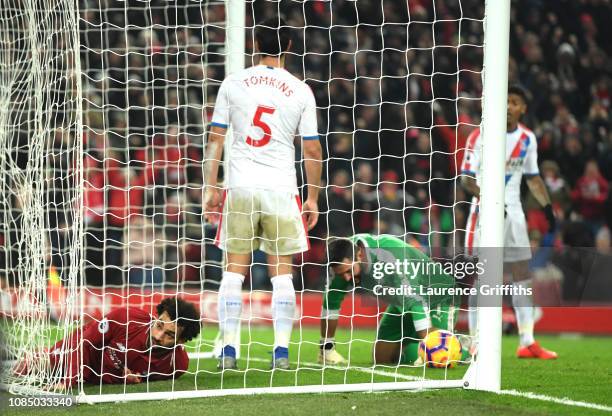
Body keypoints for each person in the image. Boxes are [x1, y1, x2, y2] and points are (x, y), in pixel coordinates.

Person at [204, 16, 322, 370]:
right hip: (281, 189)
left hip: (240, 187)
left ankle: (229, 351)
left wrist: (211, 186)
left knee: (233, 272)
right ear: (288, 45)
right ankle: (281, 352)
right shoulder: (300, 90)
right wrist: (313, 197)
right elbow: (312, 150)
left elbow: (215, 141)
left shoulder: (233, 83)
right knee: (282, 274)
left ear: (254, 43)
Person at [461, 85, 557, 359]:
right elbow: (466, 179)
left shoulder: (528, 138)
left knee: (522, 280)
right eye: (505, 101)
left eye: (514, 102)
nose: (509, 106)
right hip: (484, 212)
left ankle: (527, 341)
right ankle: (475, 343)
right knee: (483, 279)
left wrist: (547, 206)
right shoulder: (480, 136)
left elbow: (534, 177)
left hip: (514, 214)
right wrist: (491, 199)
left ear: (523, 108)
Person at [319, 234, 467, 366]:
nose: (346, 278)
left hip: (438, 296)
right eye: (341, 274)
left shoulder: (391, 255)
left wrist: (428, 343)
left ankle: (466, 346)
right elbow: (330, 304)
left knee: (436, 354)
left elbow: (416, 300)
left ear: (359, 254)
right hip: (401, 303)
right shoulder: (340, 262)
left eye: (348, 271)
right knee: (381, 359)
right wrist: (327, 348)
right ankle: (412, 351)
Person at [14, 297, 200, 388]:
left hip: (98, 377)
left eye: (169, 334)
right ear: (156, 317)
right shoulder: (127, 318)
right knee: (30, 366)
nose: (158, 336)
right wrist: (68, 380)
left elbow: (142, 375)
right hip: (77, 353)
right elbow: (84, 342)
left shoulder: (178, 364)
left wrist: (132, 378)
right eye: (159, 325)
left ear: (181, 340)